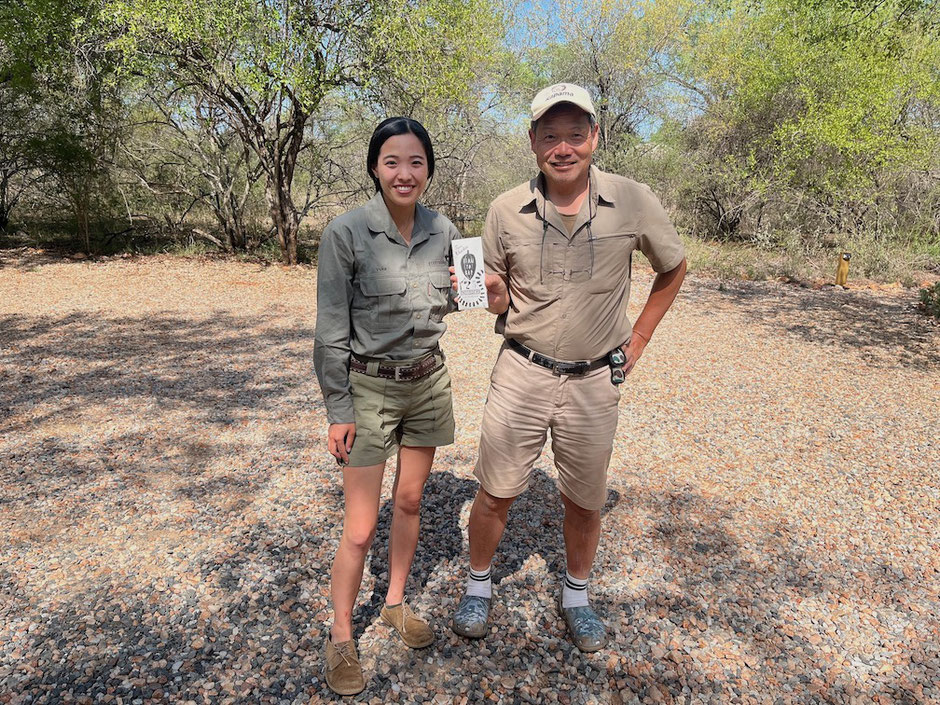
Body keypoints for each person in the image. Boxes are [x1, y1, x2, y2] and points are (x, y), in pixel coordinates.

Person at [450, 83, 687, 652]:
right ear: (532, 141)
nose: (564, 147)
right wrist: (486, 291)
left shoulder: (632, 200)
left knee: (585, 498)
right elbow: (485, 295)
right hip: (522, 370)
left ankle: (577, 594)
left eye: (575, 135)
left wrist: (639, 339)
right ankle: (479, 584)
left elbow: (673, 267)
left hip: (594, 379)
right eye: (550, 135)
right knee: (495, 490)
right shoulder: (505, 209)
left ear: (595, 137)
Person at [313, 117, 461, 695]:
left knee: (411, 500)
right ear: (375, 168)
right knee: (359, 528)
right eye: (392, 162)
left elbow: (449, 306)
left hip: (426, 382)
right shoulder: (346, 233)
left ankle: (395, 602)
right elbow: (329, 331)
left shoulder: (443, 229)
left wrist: (476, 291)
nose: (405, 173)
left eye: (416, 162)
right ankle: (341, 634)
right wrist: (338, 408)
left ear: (428, 169)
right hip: (368, 389)